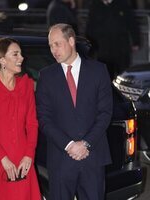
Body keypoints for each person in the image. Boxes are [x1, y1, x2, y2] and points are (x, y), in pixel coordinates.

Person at [36, 23, 113, 200]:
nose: (53, 50)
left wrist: (85, 143)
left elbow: (105, 113)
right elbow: (44, 118)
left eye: (57, 44)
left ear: (71, 41)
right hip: (61, 159)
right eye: (50, 45)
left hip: (93, 158)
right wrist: (70, 145)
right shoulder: (46, 76)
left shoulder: (98, 70)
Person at [0, 37, 41, 200]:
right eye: (15, 54)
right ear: (2, 60)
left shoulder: (26, 85)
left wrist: (29, 155)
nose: (22, 58)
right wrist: (3, 159)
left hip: (23, 159)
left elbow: (32, 124)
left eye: (21, 54)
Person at [86, 0, 140, 80]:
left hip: (121, 48)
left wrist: (136, 42)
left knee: (124, 77)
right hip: (103, 49)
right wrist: (89, 45)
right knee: (105, 77)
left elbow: (132, 23)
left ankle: (122, 92)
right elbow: (90, 27)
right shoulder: (95, 6)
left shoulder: (122, 4)